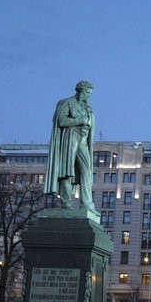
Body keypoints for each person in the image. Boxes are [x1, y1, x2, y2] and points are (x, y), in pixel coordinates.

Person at [45, 80, 98, 215]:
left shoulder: (88, 108)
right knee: (67, 171)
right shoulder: (67, 102)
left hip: (84, 140)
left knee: (86, 172)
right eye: (87, 93)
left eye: (90, 94)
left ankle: (87, 204)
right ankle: (66, 203)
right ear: (80, 91)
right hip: (71, 137)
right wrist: (79, 121)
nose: (89, 96)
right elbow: (61, 120)